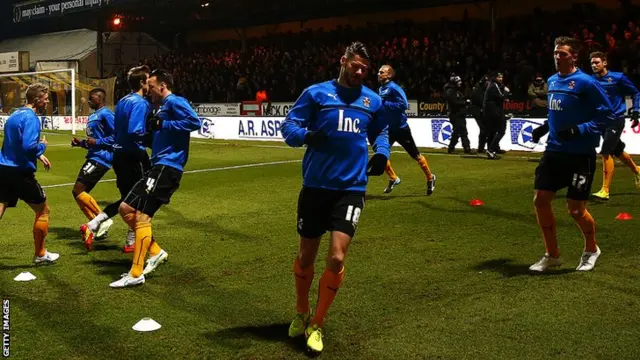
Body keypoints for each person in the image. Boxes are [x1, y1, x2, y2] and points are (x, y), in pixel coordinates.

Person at [280, 41, 390, 353]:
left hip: (351, 189)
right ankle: (301, 311)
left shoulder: (371, 100)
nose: (359, 72)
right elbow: (290, 127)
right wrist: (306, 136)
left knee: (338, 257)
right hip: (315, 187)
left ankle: (317, 322)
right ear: (342, 61)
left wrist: (381, 152)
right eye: (355, 65)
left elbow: (380, 131)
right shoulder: (316, 93)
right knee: (305, 257)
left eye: (365, 69)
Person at [529, 36, 615, 272]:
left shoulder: (586, 83)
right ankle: (552, 255)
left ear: (574, 56)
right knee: (540, 200)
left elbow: (607, 116)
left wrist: (580, 129)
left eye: (563, 54)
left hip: (580, 155)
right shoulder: (552, 81)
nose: (557, 57)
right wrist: (544, 128)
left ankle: (591, 249)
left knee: (575, 210)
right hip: (554, 152)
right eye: (556, 53)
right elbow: (556, 113)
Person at [109, 69, 201, 288]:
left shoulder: (174, 101)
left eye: (151, 85)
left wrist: (164, 125)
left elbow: (195, 122)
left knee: (141, 217)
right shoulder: (158, 108)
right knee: (125, 208)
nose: (147, 89)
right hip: (157, 165)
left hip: (168, 167)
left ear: (162, 86)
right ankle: (155, 252)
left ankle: (135, 273)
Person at [81, 65, 152, 252]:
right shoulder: (140, 103)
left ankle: (94, 225)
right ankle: (132, 239)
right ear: (142, 82)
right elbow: (134, 130)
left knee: (126, 199)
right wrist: (153, 139)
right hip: (133, 154)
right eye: (148, 78)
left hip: (118, 155)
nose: (150, 82)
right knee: (142, 197)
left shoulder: (122, 101)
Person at [0, 83, 58, 264]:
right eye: (45, 98)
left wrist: (39, 155)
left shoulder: (14, 114)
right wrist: (42, 146)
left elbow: (15, 143)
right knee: (43, 210)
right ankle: (40, 255)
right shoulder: (32, 118)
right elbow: (28, 146)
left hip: (4, 168)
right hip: (20, 173)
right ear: (36, 99)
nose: (47, 102)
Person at [376, 64, 436, 195]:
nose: (378, 74)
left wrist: (384, 104)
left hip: (401, 129)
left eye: (382, 72)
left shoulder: (394, 88)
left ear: (389, 75)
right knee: (381, 154)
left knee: (416, 156)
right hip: (388, 129)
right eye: (379, 72)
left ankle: (430, 178)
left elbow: (403, 105)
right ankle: (393, 178)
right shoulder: (381, 88)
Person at [588, 51, 640, 200]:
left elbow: (636, 93)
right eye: (592, 63)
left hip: (615, 119)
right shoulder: (590, 81)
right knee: (617, 150)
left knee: (606, 152)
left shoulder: (618, 77)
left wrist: (635, 111)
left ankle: (605, 191)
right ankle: (637, 170)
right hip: (600, 121)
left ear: (605, 63)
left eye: (597, 62)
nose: (594, 65)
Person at [71, 88, 115, 240]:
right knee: (78, 193)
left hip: (101, 158)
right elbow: (93, 140)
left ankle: (103, 219)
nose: (89, 100)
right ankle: (96, 225)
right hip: (94, 155)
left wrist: (97, 142)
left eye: (91, 98)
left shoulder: (107, 114)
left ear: (100, 99)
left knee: (78, 189)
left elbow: (116, 137)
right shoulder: (93, 116)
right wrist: (81, 143)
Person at [444, 74, 472, 154]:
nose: (460, 83)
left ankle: (462, 147)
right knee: (460, 132)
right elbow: (454, 103)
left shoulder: (457, 91)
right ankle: (464, 147)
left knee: (460, 132)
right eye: (458, 81)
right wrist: (464, 103)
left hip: (460, 115)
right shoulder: (450, 91)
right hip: (455, 115)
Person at [484, 72, 509, 159]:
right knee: (501, 130)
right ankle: (491, 150)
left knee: (493, 131)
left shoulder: (493, 86)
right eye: (499, 77)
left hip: (492, 112)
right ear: (495, 78)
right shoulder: (494, 86)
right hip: (494, 112)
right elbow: (502, 97)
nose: (501, 79)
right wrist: (506, 92)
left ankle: (491, 149)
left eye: (502, 77)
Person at [471, 75, 489, 153]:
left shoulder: (482, 89)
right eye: (486, 83)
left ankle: (482, 147)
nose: (487, 84)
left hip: (481, 111)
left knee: (484, 129)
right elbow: (480, 101)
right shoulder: (477, 90)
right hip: (477, 112)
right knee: (483, 129)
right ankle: (481, 148)